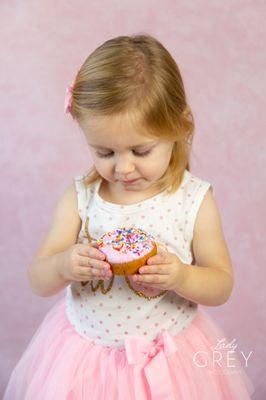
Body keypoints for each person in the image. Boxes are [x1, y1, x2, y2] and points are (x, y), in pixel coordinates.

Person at [4, 34, 255, 399]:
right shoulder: (80, 198)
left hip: (169, 358)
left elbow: (221, 284)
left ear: (179, 127)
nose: (123, 168)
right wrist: (63, 265)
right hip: (87, 361)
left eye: (141, 150)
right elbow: (38, 279)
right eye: (104, 152)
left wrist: (181, 276)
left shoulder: (193, 200)